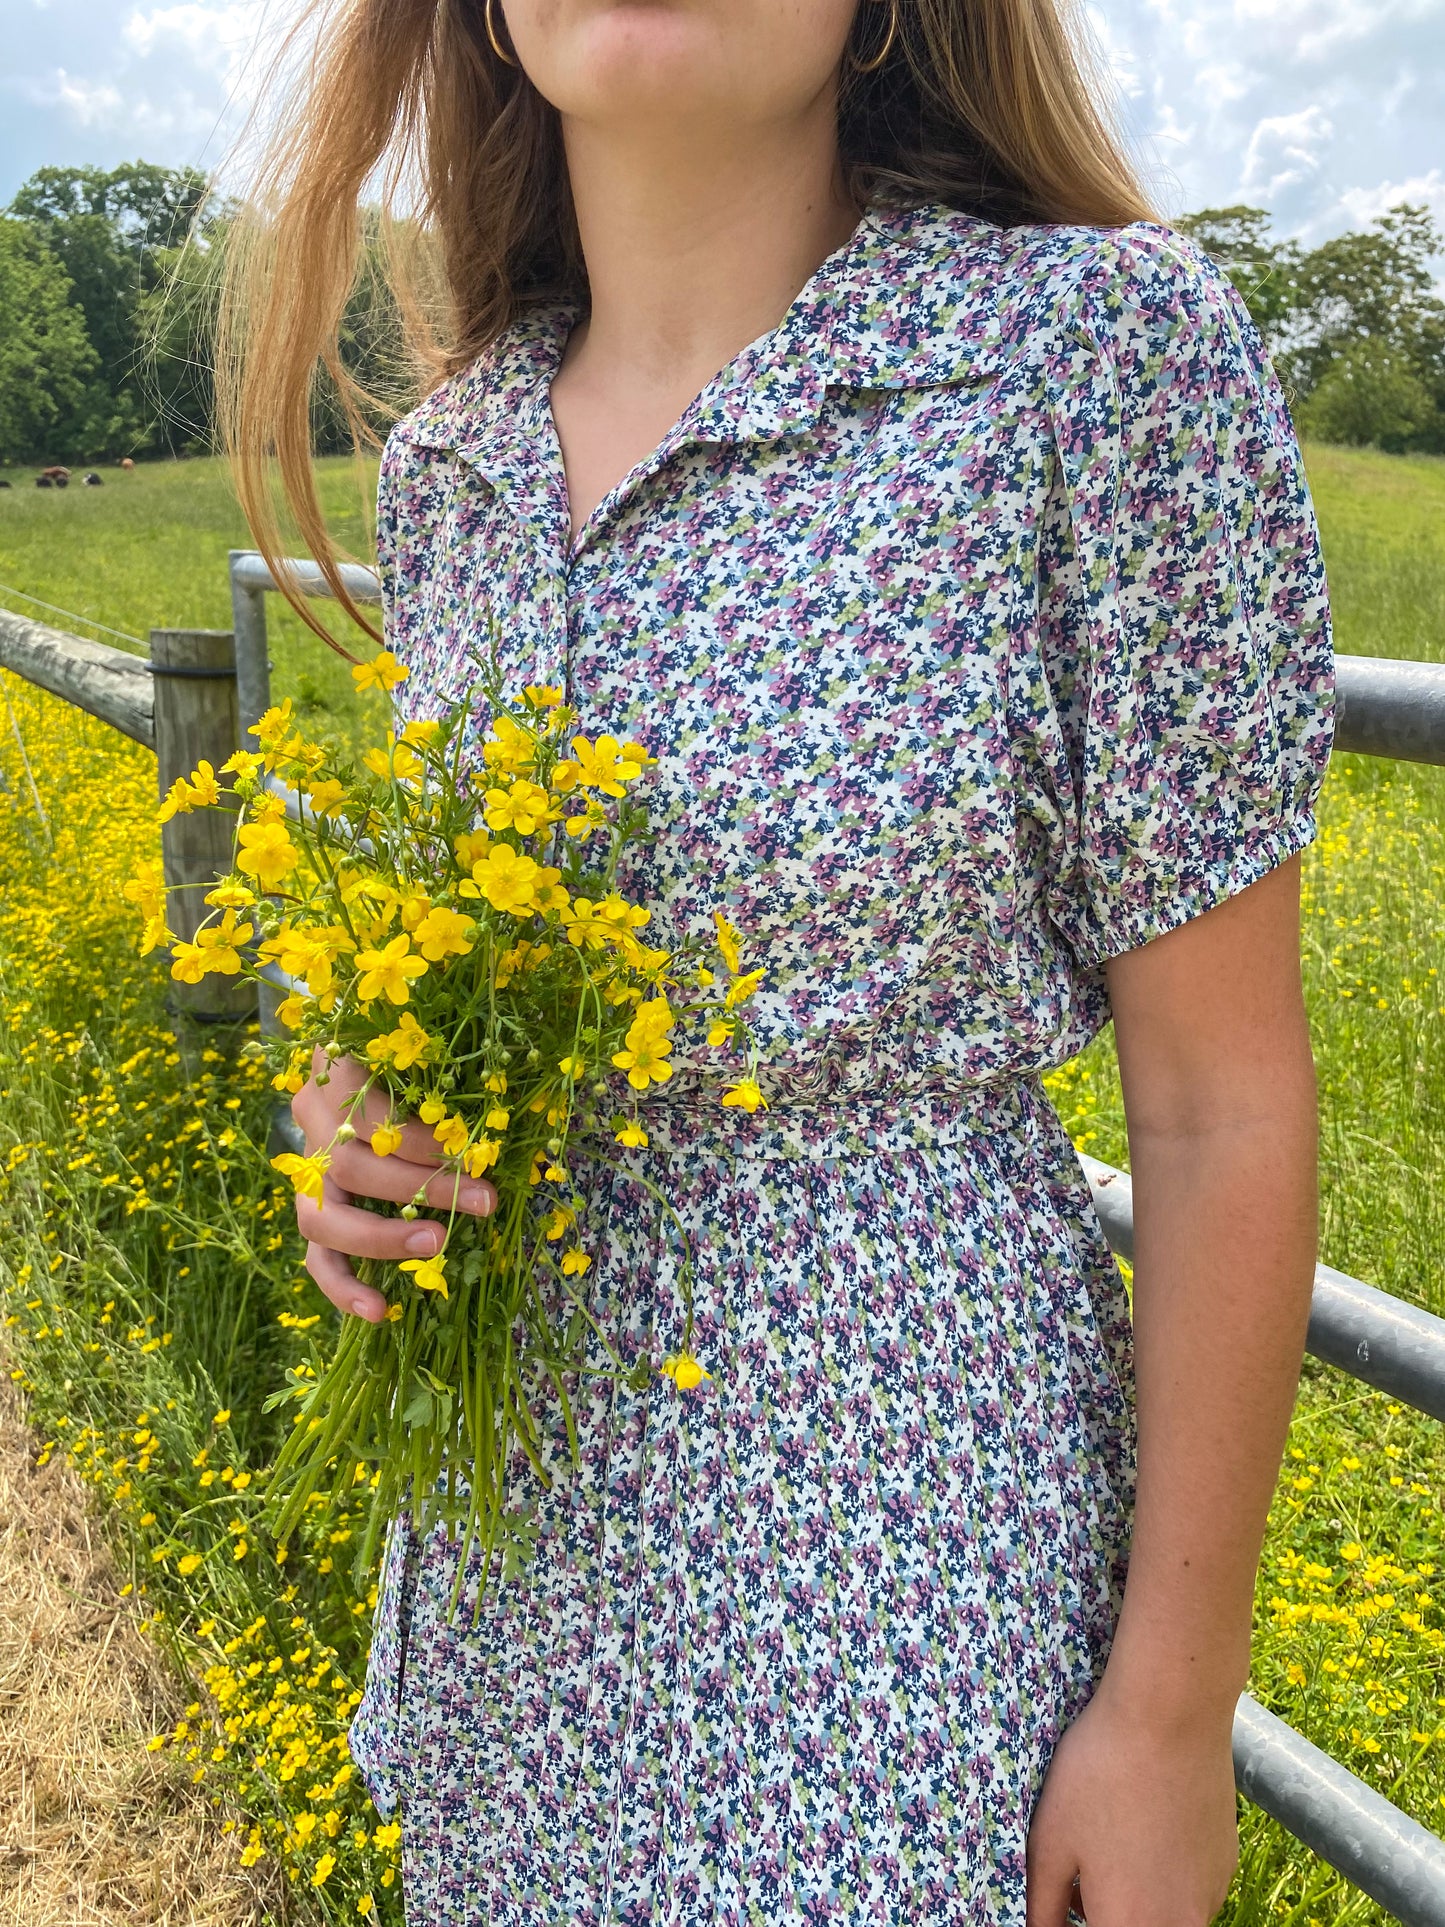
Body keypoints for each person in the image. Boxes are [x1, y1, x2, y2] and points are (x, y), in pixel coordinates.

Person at [221, 2, 1335, 1921]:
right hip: (518, 1585)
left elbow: (1220, 1100)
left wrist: (1168, 1714)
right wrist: (363, 1140)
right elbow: (472, 965)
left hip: (894, 1591)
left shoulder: (1091, 361)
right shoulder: (459, 457)